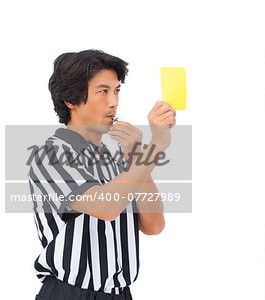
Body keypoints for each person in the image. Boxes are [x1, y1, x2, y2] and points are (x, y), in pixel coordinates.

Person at [29, 49, 176, 299]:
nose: (114, 102)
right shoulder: (50, 154)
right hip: (70, 293)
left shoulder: (116, 159)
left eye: (117, 90)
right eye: (103, 91)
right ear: (70, 99)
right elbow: (106, 206)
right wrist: (156, 146)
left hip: (120, 293)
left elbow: (154, 225)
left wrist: (137, 155)